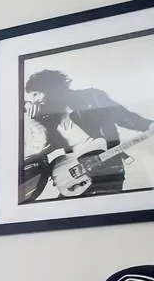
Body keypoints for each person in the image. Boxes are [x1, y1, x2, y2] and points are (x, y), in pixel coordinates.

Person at [22, 67, 154, 199]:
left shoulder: (92, 98)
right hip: (75, 174)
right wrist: (28, 115)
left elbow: (122, 115)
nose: (34, 101)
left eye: (35, 94)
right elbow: (38, 147)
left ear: (50, 88)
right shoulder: (48, 117)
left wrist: (148, 125)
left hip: (107, 171)